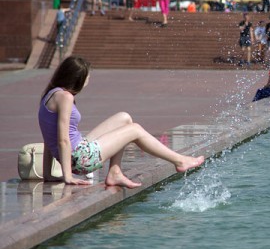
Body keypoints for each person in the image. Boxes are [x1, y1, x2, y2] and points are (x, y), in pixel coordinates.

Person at [39, 56, 204, 188]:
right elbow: (62, 140)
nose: (88, 81)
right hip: (80, 158)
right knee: (135, 130)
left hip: (76, 153)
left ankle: (115, 172)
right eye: (87, 77)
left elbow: (49, 137)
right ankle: (179, 161)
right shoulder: (66, 97)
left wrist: (47, 174)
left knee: (124, 118)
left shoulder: (50, 95)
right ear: (78, 78)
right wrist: (68, 176)